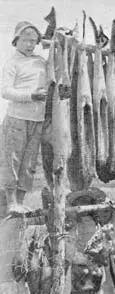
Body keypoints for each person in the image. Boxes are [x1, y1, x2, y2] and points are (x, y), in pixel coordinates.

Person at [1, 22, 47, 213]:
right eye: (26, 40)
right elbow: (5, 91)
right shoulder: (12, 63)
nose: (30, 45)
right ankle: (11, 201)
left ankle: (20, 201)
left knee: (29, 163)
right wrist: (30, 96)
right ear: (16, 40)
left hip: (37, 119)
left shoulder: (41, 62)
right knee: (12, 160)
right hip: (17, 118)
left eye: (34, 41)